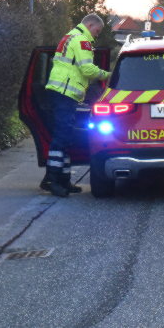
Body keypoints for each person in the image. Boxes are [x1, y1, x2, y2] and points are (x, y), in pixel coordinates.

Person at [41, 14, 111, 197]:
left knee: (66, 137)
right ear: (89, 25)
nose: (96, 35)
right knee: (61, 137)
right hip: (65, 92)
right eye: (97, 31)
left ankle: (63, 180)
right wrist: (108, 75)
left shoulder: (69, 36)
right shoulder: (82, 41)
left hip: (61, 91)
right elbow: (87, 69)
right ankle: (52, 179)